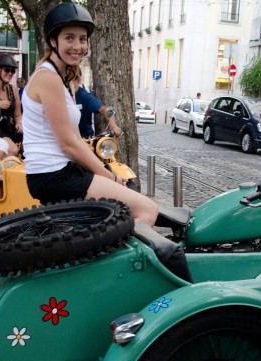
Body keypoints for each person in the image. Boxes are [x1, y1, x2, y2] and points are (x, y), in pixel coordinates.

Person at [22, 2, 157, 226]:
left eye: (82, 39)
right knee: (147, 210)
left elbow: (78, 139)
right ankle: (121, 262)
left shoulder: (63, 80)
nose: (78, 46)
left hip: (62, 170)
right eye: (69, 38)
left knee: (124, 201)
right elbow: (68, 145)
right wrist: (109, 176)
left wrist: (106, 170)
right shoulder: (48, 78)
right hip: (53, 175)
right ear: (53, 41)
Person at [70, 73, 121, 138]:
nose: (71, 83)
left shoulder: (84, 96)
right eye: (68, 79)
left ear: (79, 80)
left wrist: (114, 126)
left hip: (85, 138)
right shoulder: (60, 94)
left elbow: (104, 109)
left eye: (74, 79)